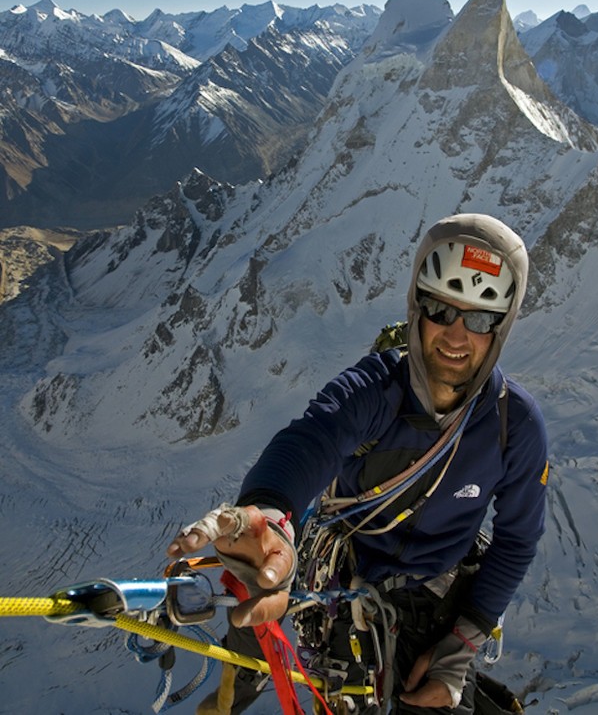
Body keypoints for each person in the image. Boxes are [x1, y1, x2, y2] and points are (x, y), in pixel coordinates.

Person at [168, 213, 549, 714]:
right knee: (248, 640)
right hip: (338, 588)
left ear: (500, 328)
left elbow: (517, 540)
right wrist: (271, 511)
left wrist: (462, 643)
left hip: (432, 609)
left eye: (480, 319)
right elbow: (311, 440)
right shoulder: (376, 389)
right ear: (418, 308)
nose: (457, 337)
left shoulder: (512, 425)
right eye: (441, 310)